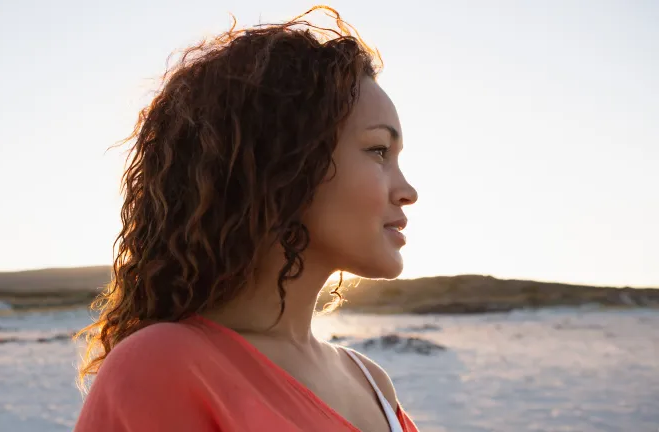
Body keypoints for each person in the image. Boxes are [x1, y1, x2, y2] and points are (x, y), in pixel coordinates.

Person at [74, 6, 419, 431]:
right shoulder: (163, 365)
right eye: (379, 151)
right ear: (283, 163)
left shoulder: (370, 381)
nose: (408, 191)